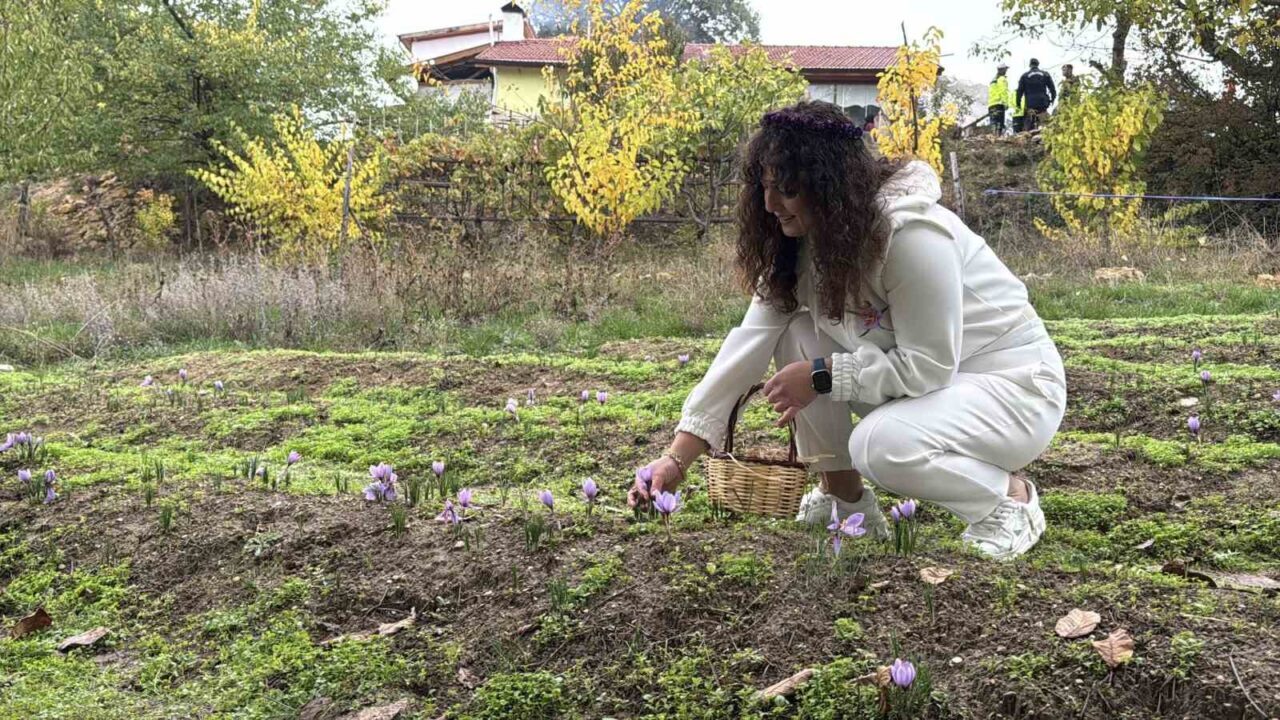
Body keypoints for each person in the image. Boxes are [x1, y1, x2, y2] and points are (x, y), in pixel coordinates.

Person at [628, 101, 1067, 560]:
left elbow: (929, 366)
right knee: (795, 331)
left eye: (787, 189)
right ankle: (843, 496)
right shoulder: (801, 248)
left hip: (1011, 388)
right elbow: (746, 347)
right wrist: (676, 458)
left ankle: (1008, 501)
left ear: (828, 184)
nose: (769, 205)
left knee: (880, 445)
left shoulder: (911, 235)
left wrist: (821, 376)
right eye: (764, 187)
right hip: (935, 390)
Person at [1015, 58, 1056, 132]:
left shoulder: (1024, 76)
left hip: (1030, 105)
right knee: (1045, 126)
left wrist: (1018, 103)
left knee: (1029, 128)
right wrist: (1052, 99)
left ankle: (1029, 138)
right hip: (1043, 103)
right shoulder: (1045, 74)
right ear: (1038, 64)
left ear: (1030, 65)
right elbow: (1052, 89)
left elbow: (1019, 92)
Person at [987, 62, 1011, 134]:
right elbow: (1003, 91)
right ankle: (998, 139)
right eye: (1005, 69)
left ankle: (993, 139)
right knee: (999, 125)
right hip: (999, 104)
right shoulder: (1002, 79)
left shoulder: (993, 81)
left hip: (991, 105)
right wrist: (1005, 103)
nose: (1006, 71)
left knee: (993, 123)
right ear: (1002, 70)